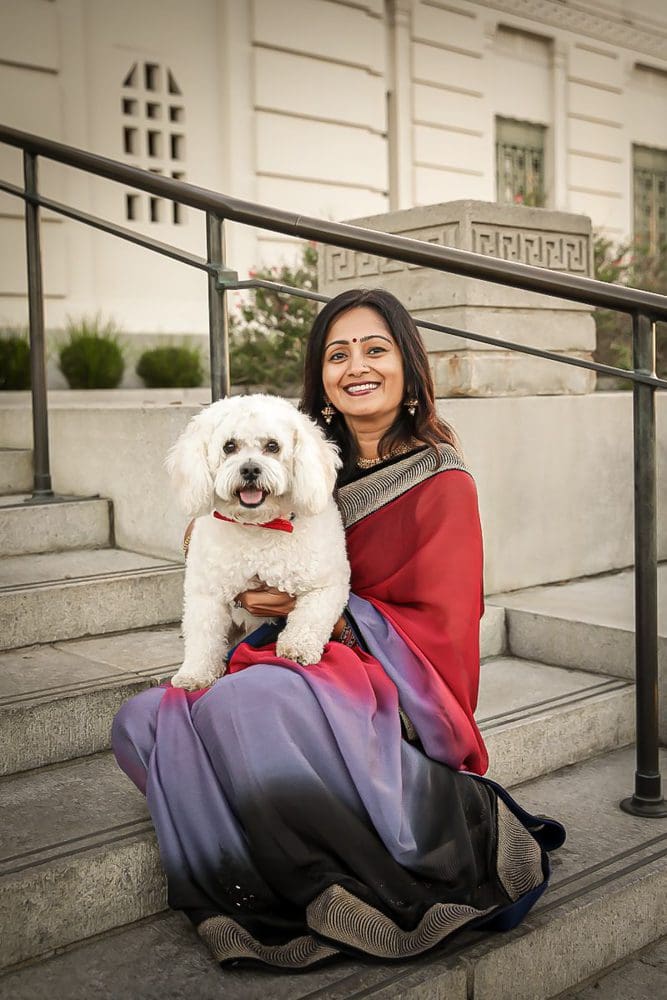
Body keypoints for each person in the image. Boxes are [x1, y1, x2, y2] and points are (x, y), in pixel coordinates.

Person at [112, 287, 564, 969]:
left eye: (375, 349)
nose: (356, 365)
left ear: (408, 369)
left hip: (386, 680)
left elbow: (444, 625)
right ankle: (264, 840)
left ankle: (323, 882)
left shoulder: (440, 479)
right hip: (278, 658)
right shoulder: (298, 461)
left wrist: (300, 612)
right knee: (144, 721)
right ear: (320, 377)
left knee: (243, 703)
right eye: (337, 353)